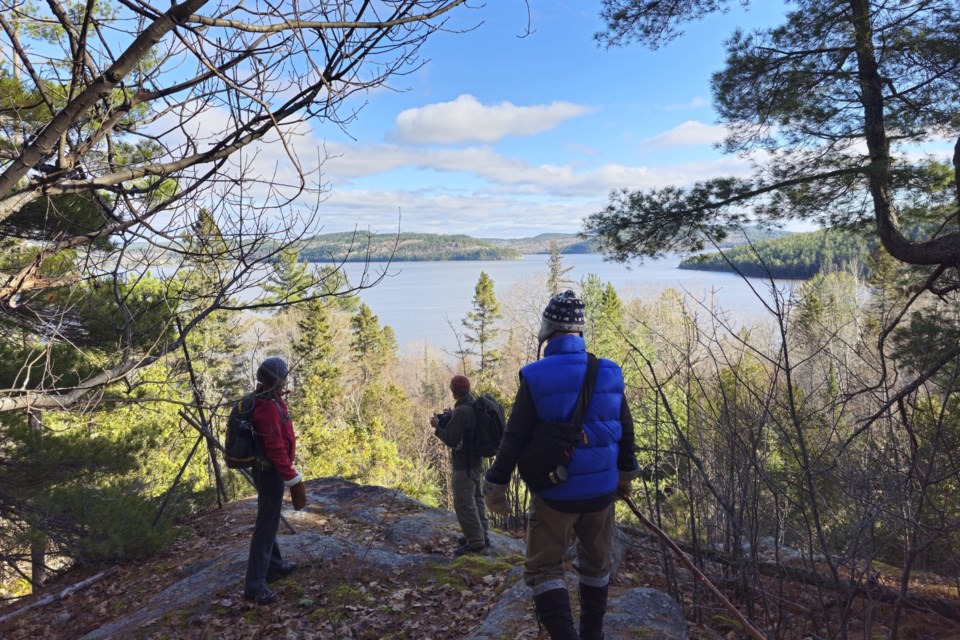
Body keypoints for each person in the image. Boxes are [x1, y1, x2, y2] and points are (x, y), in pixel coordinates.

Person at [482, 290, 639, 640]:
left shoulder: (535, 376)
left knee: (544, 570)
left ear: (548, 329)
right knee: (596, 567)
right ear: (579, 332)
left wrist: (497, 484)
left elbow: (514, 437)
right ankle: (592, 634)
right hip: (600, 494)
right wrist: (625, 477)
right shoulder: (610, 372)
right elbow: (626, 432)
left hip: (555, 494)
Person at [243, 356, 307, 605]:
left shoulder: (269, 399)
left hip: (270, 471)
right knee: (265, 527)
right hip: (270, 473)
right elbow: (275, 448)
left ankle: (275, 564)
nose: (285, 380)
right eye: (283, 376)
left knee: (268, 521)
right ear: (276, 379)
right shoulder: (267, 406)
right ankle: (254, 586)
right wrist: (292, 477)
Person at [430, 374, 490, 556]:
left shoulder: (462, 411)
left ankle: (476, 543)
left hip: (464, 465)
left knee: (464, 503)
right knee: (477, 499)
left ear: (454, 391)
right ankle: (482, 536)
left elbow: (451, 438)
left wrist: (437, 426)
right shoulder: (474, 405)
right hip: (476, 462)